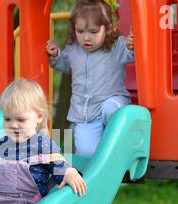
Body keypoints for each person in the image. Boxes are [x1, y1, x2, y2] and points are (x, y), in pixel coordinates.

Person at [46, 0, 134, 156]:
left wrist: (131, 45)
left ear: (107, 29)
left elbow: (130, 54)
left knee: (110, 108)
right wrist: (55, 55)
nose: (86, 38)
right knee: (86, 153)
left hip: (112, 102)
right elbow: (66, 65)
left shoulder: (116, 46)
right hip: (85, 113)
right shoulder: (73, 48)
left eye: (93, 32)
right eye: (80, 31)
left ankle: (118, 141)